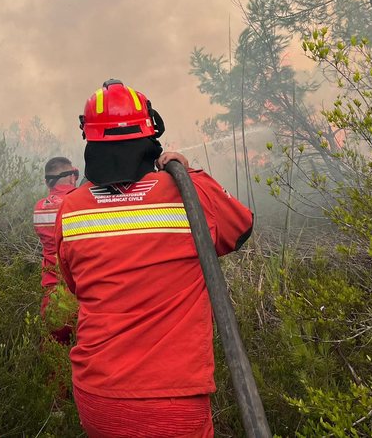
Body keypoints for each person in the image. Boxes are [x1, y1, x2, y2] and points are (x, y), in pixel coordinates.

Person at [54, 79, 254, 438]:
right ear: (151, 133)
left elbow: (74, 283)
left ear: (90, 140)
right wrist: (188, 172)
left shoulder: (72, 208)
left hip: (97, 398)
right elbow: (240, 226)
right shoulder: (186, 192)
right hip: (171, 401)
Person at [33, 156, 80, 344]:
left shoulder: (39, 208)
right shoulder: (79, 203)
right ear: (71, 177)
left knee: (54, 360)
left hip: (52, 295)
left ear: (47, 181)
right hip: (79, 293)